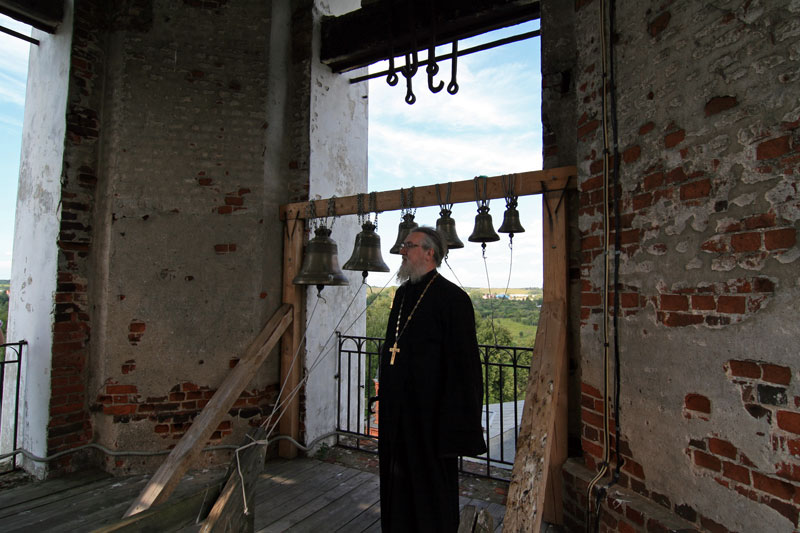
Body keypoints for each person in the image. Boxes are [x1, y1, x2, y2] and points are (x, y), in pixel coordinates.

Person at [378, 226, 487, 532]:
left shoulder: (453, 299)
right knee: (396, 483)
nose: (402, 251)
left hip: (431, 416)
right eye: (403, 245)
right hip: (397, 412)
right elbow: (393, 347)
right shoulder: (402, 294)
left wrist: (457, 422)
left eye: (409, 246)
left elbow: (465, 366)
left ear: (430, 253)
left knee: (430, 489)